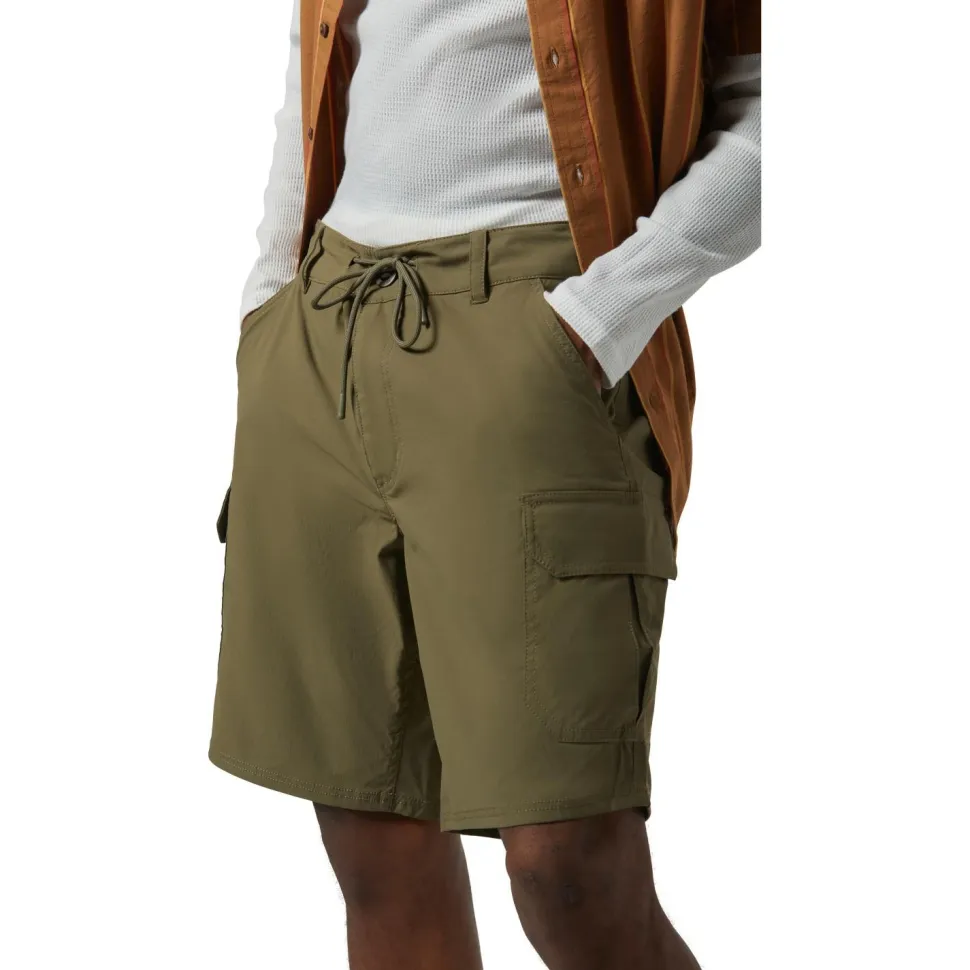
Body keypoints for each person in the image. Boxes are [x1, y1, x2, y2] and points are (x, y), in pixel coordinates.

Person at [209, 0, 760, 966]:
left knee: (566, 862)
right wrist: (270, 302)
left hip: (539, 326)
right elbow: (320, 54)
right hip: (325, 328)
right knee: (377, 845)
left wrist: (600, 317)